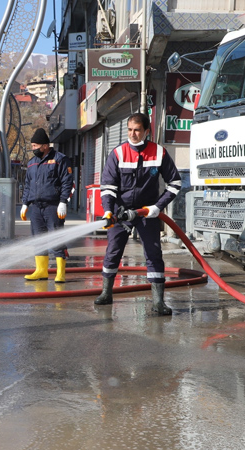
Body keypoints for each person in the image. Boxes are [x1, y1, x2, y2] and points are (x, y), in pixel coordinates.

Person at [94, 113, 182, 315]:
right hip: (120, 212)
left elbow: (175, 184)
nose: (132, 134)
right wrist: (109, 210)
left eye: (137, 130)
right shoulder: (118, 153)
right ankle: (106, 293)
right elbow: (108, 186)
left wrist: (157, 207)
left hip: (147, 212)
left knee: (153, 254)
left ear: (147, 131)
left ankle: (158, 303)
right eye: (130, 130)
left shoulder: (159, 153)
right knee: (113, 251)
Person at [20, 128, 74, 283]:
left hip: (53, 206)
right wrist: (25, 204)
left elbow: (67, 182)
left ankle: (60, 273)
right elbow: (28, 185)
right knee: (38, 239)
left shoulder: (60, 159)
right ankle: (41, 271)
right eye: (32, 146)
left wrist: (63, 202)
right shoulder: (31, 163)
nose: (33, 148)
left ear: (45, 145)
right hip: (36, 207)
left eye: (36, 146)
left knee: (55, 238)